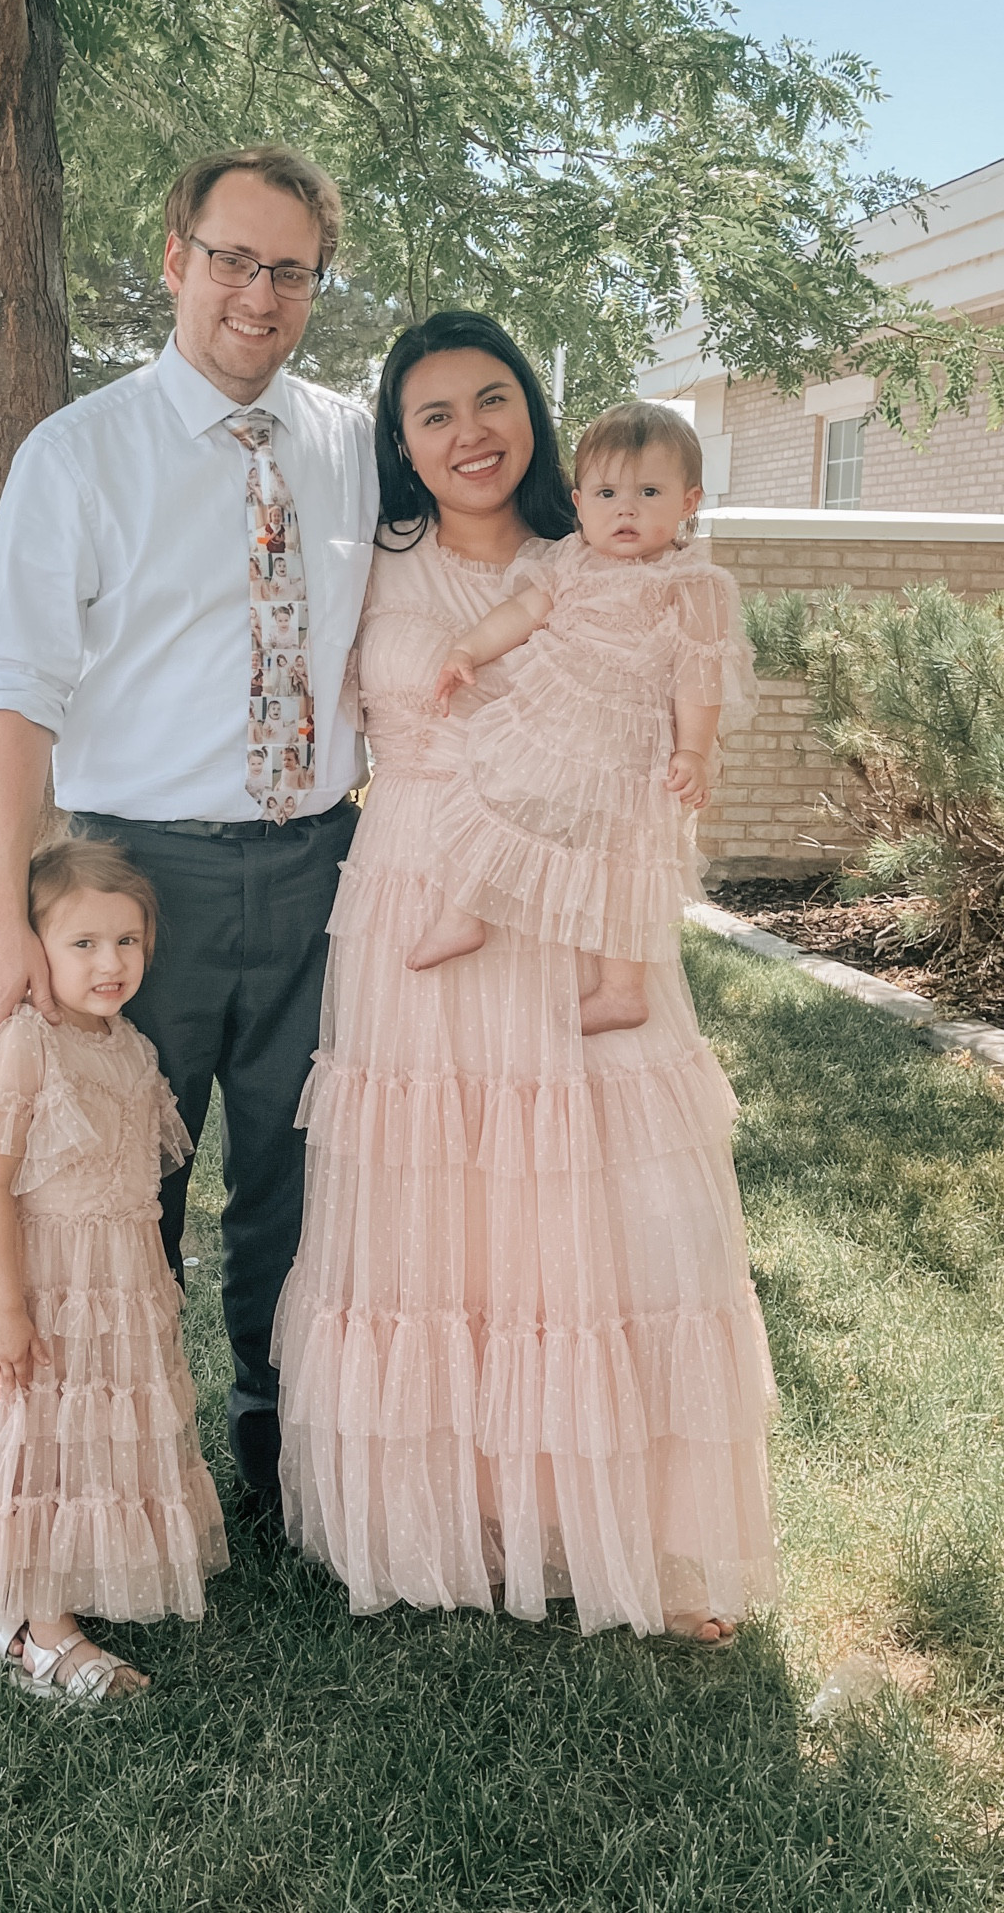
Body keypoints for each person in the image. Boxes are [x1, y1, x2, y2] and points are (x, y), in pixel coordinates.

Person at [272, 311, 778, 1642]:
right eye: (433, 413)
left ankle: (636, 1532)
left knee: (610, 1207)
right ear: (399, 440)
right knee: (447, 1212)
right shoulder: (362, 563)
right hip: (413, 899)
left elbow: (690, 688)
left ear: (535, 415)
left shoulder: (602, 548)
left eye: (493, 399)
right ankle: (469, 1507)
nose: (470, 432)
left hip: (574, 896)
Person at [0, 145, 377, 1512]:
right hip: (139, 882)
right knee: (118, 1191)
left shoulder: (350, 447)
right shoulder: (78, 454)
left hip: (324, 869)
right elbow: (18, 701)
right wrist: (5, 941)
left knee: (294, 1172)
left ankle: (275, 1441)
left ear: (315, 287)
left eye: (290, 270)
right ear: (173, 256)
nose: (256, 295)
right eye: (231, 258)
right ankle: (115, 1465)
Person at [0, 841, 228, 1700]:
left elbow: (141, 1182)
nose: (110, 963)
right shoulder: (27, 1045)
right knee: (42, 1446)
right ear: (36, 947)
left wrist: (150, 1281)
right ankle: (44, 1634)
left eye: (128, 941)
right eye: (82, 943)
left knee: (93, 1443)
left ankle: (74, 1580)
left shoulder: (134, 1050)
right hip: (42, 1285)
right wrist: (6, 1307)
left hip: (114, 1287)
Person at [407, 402, 756, 1038]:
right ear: (579, 501)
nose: (626, 509)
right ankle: (465, 912)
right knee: (496, 792)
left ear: (689, 501)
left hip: (630, 751)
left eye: (649, 492)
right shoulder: (568, 561)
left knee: (627, 863)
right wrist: (466, 651)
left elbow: (698, 674)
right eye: (607, 493)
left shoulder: (691, 582)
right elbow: (519, 615)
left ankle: (622, 990)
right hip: (553, 725)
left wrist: (695, 751)